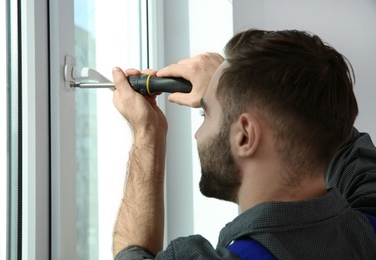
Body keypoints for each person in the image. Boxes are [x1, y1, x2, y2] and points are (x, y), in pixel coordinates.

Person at [111, 29, 376, 259]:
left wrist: (147, 132)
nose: (197, 134)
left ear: (245, 136)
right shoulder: (368, 225)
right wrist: (232, 88)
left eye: (206, 114)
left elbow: (131, 253)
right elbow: (329, 128)